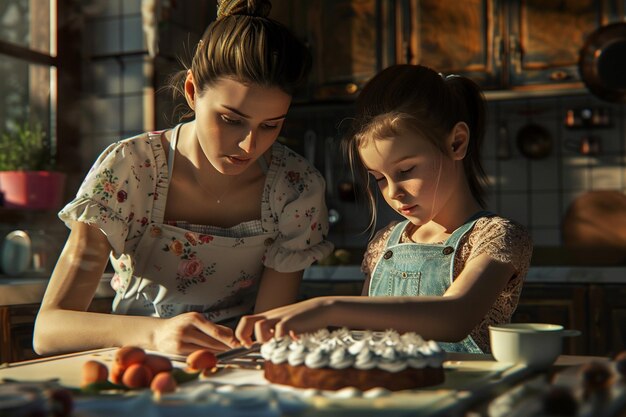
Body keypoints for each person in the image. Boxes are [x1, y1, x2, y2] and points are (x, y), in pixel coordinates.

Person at [33, 0, 333, 356]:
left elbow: (267, 333)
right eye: (231, 120)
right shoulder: (130, 169)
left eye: (270, 126)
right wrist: (156, 335)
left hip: (239, 372)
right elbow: (49, 329)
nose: (249, 144)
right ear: (192, 91)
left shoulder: (295, 187)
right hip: (137, 365)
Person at [236, 64, 533, 354]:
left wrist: (328, 307)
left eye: (406, 170)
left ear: (457, 143)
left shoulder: (497, 237)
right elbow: (366, 337)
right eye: (379, 178)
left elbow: (454, 318)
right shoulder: (385, 241)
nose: (393, 192)